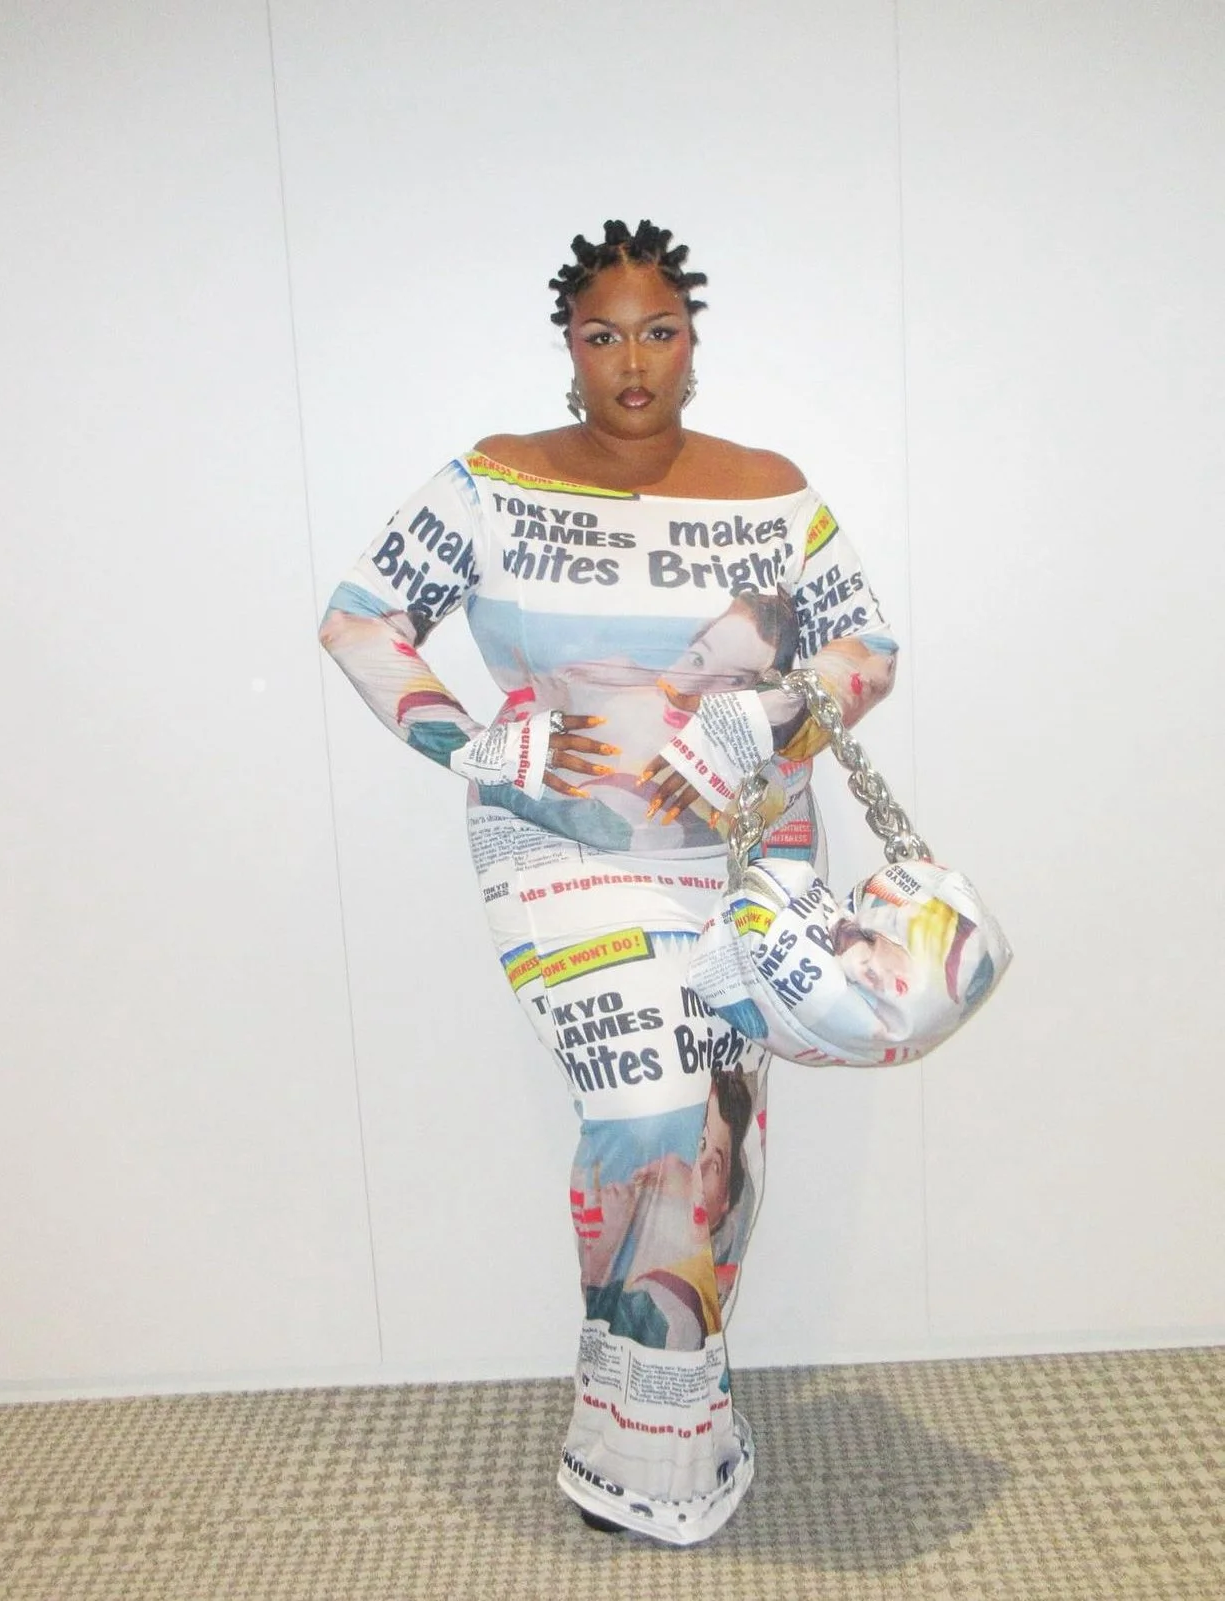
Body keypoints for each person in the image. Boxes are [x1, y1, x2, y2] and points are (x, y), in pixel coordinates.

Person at [319, 218, 898, 1544]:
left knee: (718, 1141)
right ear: (566, 346)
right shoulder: (494, 479)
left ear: (692, 344)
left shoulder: (769, 487)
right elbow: (361, 617)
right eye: (601, 333)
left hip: (752, 855)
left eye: (658, 330)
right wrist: (464, 731)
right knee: (644, 1109)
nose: (630, 360)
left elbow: (863, 644)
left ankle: (670, 1424)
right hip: (562, 855)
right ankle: (642, 1444)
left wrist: (769, 721)